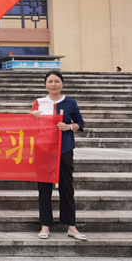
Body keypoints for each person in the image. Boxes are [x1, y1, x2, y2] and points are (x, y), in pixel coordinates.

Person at [29, 70, 87, 241]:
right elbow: (29, 125)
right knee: (44, 189)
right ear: (45, 84)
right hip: (44, 150)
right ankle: (45, 226)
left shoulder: (70, 103)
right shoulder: (39, 102)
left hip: (64, 149)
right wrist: (33, 115)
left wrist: (68, 127)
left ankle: (71, 226)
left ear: (62, 83)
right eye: (49, 81)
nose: (53, 84)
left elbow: (80, 124)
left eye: (56, 81)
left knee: (67, 188)